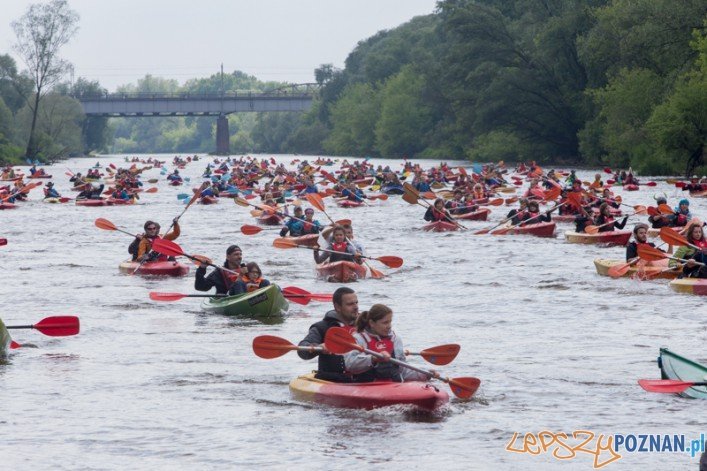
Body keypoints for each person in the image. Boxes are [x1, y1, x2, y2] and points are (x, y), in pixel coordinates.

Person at [344, 304, 434, 383]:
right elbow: (350, 365)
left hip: (393, 386)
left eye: (390, 321)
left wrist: (425, 374)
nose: (389, 326)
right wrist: (373, 358)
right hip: (367, 386)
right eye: (385, 322)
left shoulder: (395, 339)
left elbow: (403, 371)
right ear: (372, 323)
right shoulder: (359, 338)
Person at [297, 287, 359, 382]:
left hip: (361, 379)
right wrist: (319, 347)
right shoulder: (322, 327)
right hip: (332, 379)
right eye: (350, 304)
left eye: (356, 303)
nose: (356, 307)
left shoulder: (365, 325)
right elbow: (302, 350)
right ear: (338, 307)